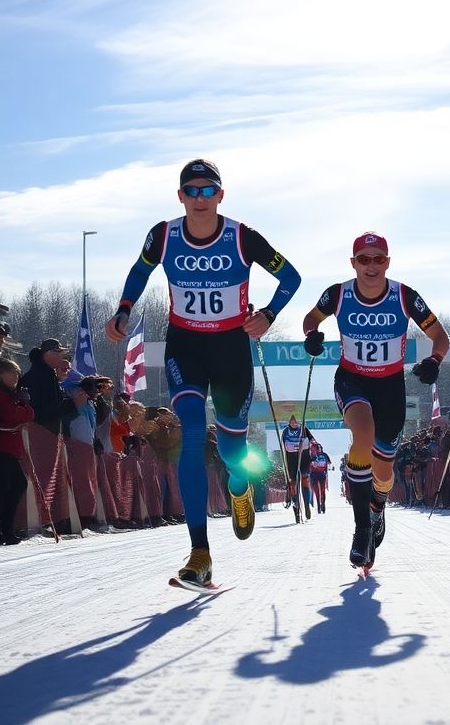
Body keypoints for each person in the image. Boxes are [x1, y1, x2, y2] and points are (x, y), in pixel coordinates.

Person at [106, 158, 301, 587]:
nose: (200, 198)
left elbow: (291, 277)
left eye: (208, 190)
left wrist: (269, 314)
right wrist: (123, 309)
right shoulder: (164, 235)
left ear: (220, 195)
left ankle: (238, 485)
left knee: (232, 450)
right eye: (191, 191)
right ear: (180, 196)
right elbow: (140, 270)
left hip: (231, 350)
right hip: (186, 346)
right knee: (192, 432)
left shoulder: (242, 237)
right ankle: (200, 552)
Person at [302, 231, 448, 569]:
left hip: (391, 387)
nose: (371, 265)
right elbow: (312, 318)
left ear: (388, 262)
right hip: (352, 380)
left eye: (378, 259)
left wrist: (434, 360)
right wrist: (312, 335)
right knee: (363, 434)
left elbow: (440, 335)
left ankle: (378, 506)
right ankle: (362, 530)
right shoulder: (337, 294)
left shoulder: (405, 296)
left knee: (383, 471)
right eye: (364, 259)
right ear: (353, 263)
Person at [0, 358, 35, 545]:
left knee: (18, 484)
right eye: (11, 373)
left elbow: (29, 416)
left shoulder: (13, 395)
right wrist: (24, 406)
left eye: (16, 373)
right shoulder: (0, 394)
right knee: (2, 487)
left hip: (11, 448)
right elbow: (11, 415)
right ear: (0, 374)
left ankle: (6, 528)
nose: (15, 376)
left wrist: (24, 405)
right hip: (0, 446)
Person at [20, 339, 74, 434]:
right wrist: (74, 403)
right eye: (58, 352)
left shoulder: (48, 375)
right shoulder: (38, 377)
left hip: (47, 434)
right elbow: (46, 413)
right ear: (47, 353)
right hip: (40, 435)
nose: (61, 357)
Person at [280, 414, 315, 522]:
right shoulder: (285, 431)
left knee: (305, 481)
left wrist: (308, 443)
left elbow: (312, 440)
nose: (294, 423)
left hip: (304, 459)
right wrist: (291, 446)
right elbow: (283, 446)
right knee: (293, 485)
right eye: (292, 421)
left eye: (295, 421)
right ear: (289, 422)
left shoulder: (304, 429)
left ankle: (307, 505)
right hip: (291, 461)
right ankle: (296, 509)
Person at [308, 441, 332, 513]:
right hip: (320, 474)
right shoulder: (323, 455)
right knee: (321, 490)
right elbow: (329, 463)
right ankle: (321, 504)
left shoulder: (312, 455)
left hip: (316, 474)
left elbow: (329, 463)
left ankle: (320, 504)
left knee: (318, 491)